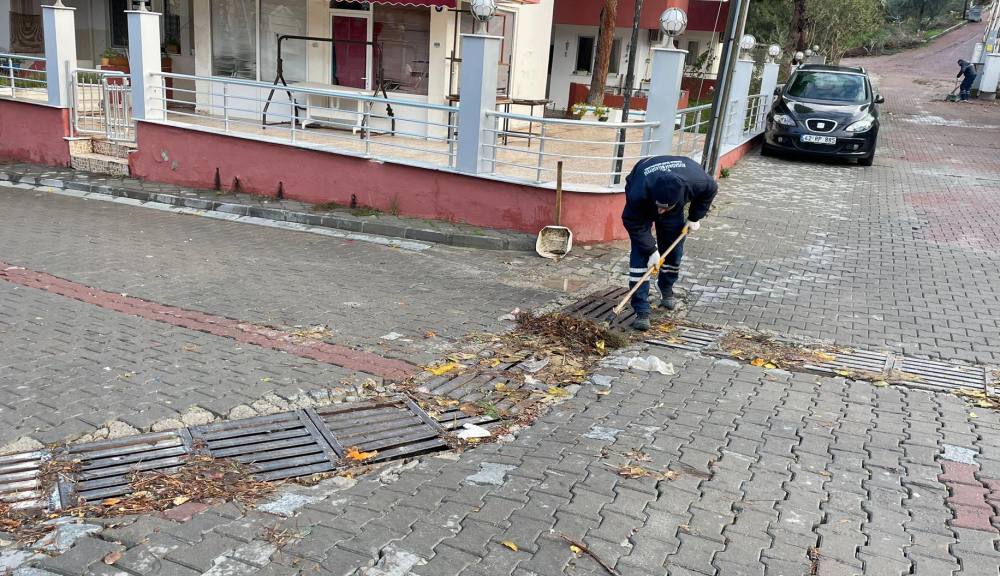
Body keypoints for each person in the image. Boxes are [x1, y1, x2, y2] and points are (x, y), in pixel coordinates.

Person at [622, 155, 718, 331]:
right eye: (659, 206)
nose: (660, 211)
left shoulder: (698, 181)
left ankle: (666, 288)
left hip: (675, 202)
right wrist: (651, 249)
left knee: (673, 249)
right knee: (640, 255)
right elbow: (632, 222)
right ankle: (641, 310)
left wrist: (694, 217)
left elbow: (710, 191)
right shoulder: (639, 191)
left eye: (665, 207)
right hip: (644, 197)